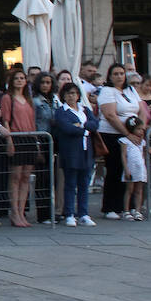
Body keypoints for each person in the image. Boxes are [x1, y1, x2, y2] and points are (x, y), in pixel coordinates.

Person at [96, 63, 143, 220]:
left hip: (132, 134)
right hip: (112, 134)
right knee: (115, 169)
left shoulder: (130, 90)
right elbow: (110, 115)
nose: (119, 76)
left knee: (130, 170)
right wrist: (127, 133)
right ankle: (110, 206)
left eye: (121, 73)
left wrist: (139, 130)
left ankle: (127, 206)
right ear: (110, 76)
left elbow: (141, 108)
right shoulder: (107, 91)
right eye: (115, 73)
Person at [53, 82, 98, 227]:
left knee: (84, 183)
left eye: (74, 93)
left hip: (86, 149)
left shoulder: (85, 110)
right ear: (63, 96)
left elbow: (94, 124)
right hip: (71, 150)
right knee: (70, 183)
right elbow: (66, 128)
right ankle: (69, 213)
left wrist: (81, 127)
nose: (71, 96)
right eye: (68, 93)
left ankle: (84, 213)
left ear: (78, 95)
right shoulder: (61, 111)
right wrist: (84, 129)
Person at [0, 69, 36, 228]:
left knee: (26, 177)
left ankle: (21, 211)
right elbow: (6, 120)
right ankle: (14, 212)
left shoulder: (28, 98)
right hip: (16, 136)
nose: (20, 81)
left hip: (29, 137)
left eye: (22, 78)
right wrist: (9, 140)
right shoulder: (8, 98)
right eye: (17, 78)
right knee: (15, 177)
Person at [31, 72, 59, 223]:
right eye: (43, 83)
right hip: (42, 139)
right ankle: (43, 214)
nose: (46, 85)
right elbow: (34, 123)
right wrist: (37, 145)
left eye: (48, 83)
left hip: (54, 139)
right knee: (42, 178)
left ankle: (51, 212)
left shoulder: (55, 100)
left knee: (52, 179)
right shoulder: (35, 101)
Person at [121, 115, 147, 221]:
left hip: (140, 168)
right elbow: (123, 155)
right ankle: (126, 210)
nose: (141, 131)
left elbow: (143, 155)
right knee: (129, 189)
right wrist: (126, 169)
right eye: (138, 129)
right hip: (130, 167)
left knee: (139, 190)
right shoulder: (125, 141)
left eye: (142, 129)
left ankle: (137, 210)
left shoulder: (142, 142)